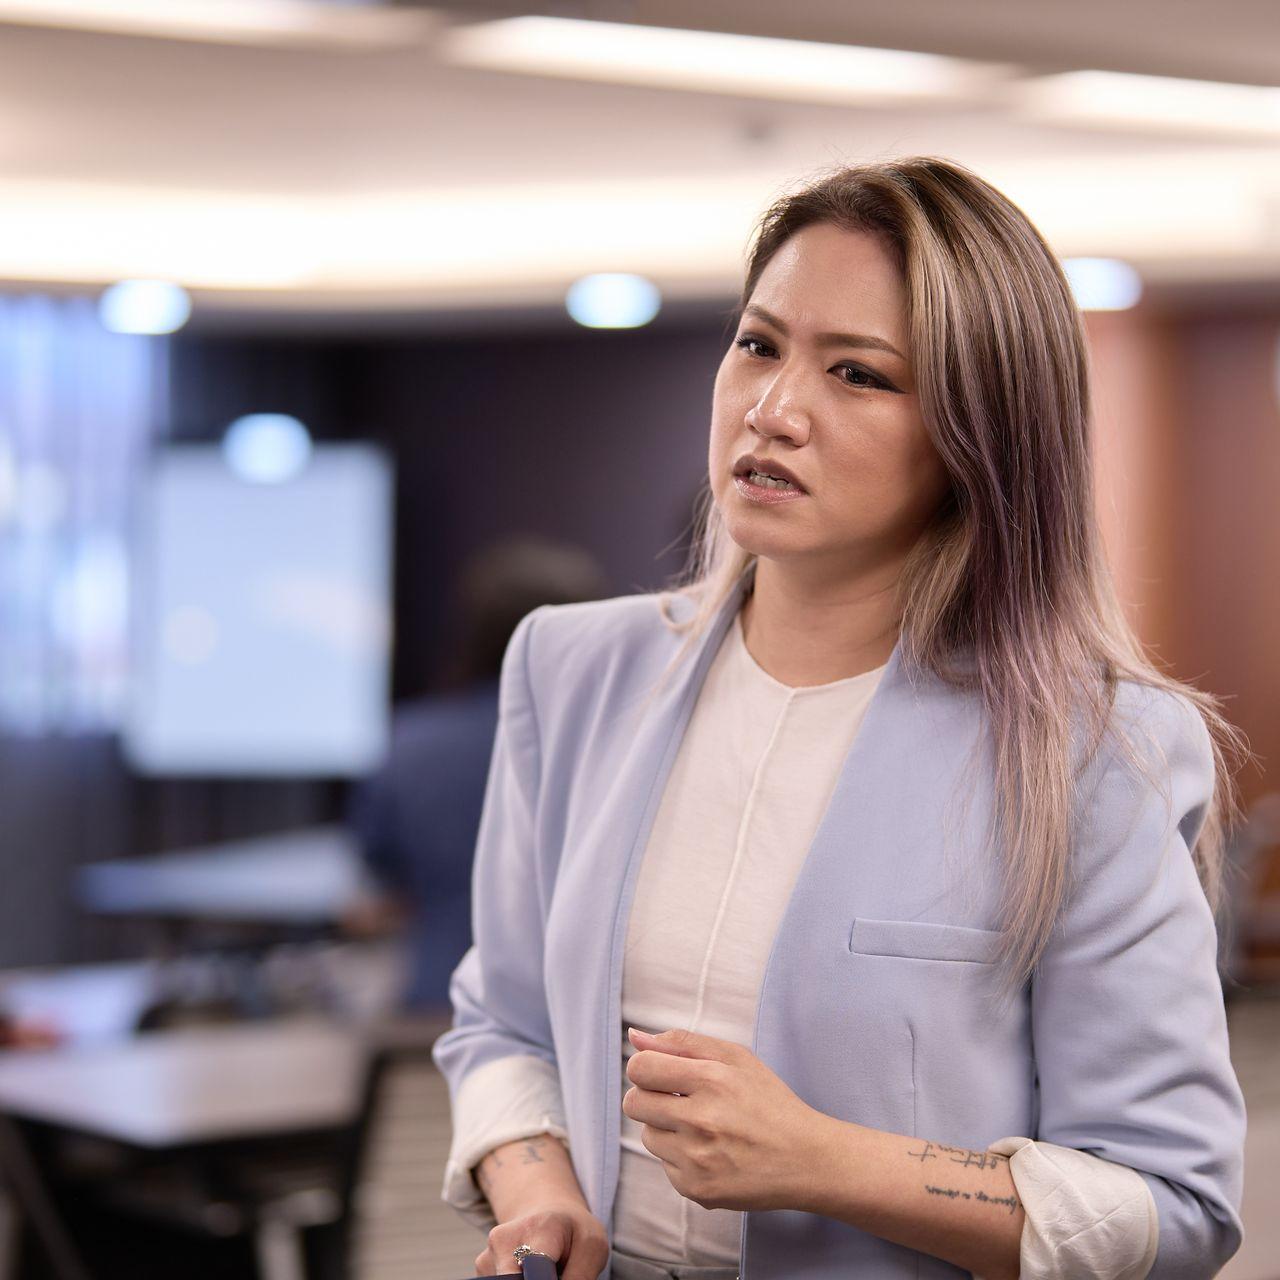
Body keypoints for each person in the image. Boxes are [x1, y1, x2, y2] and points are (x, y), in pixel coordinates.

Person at [431, 157, 1247, 1280]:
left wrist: (824, 1160)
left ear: (976, 434)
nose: (771, 410)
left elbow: (1170, 1203)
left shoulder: (1095, 749)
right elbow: (502, 1025)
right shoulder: (573, 668)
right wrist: (539, 1194)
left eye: (858, 374)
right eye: (758, 344)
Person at [347, 535, 607, 1008]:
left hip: (434, 1007)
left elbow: (380, 886)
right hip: (572, 1013)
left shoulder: (412, 744)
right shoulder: (613, 744)